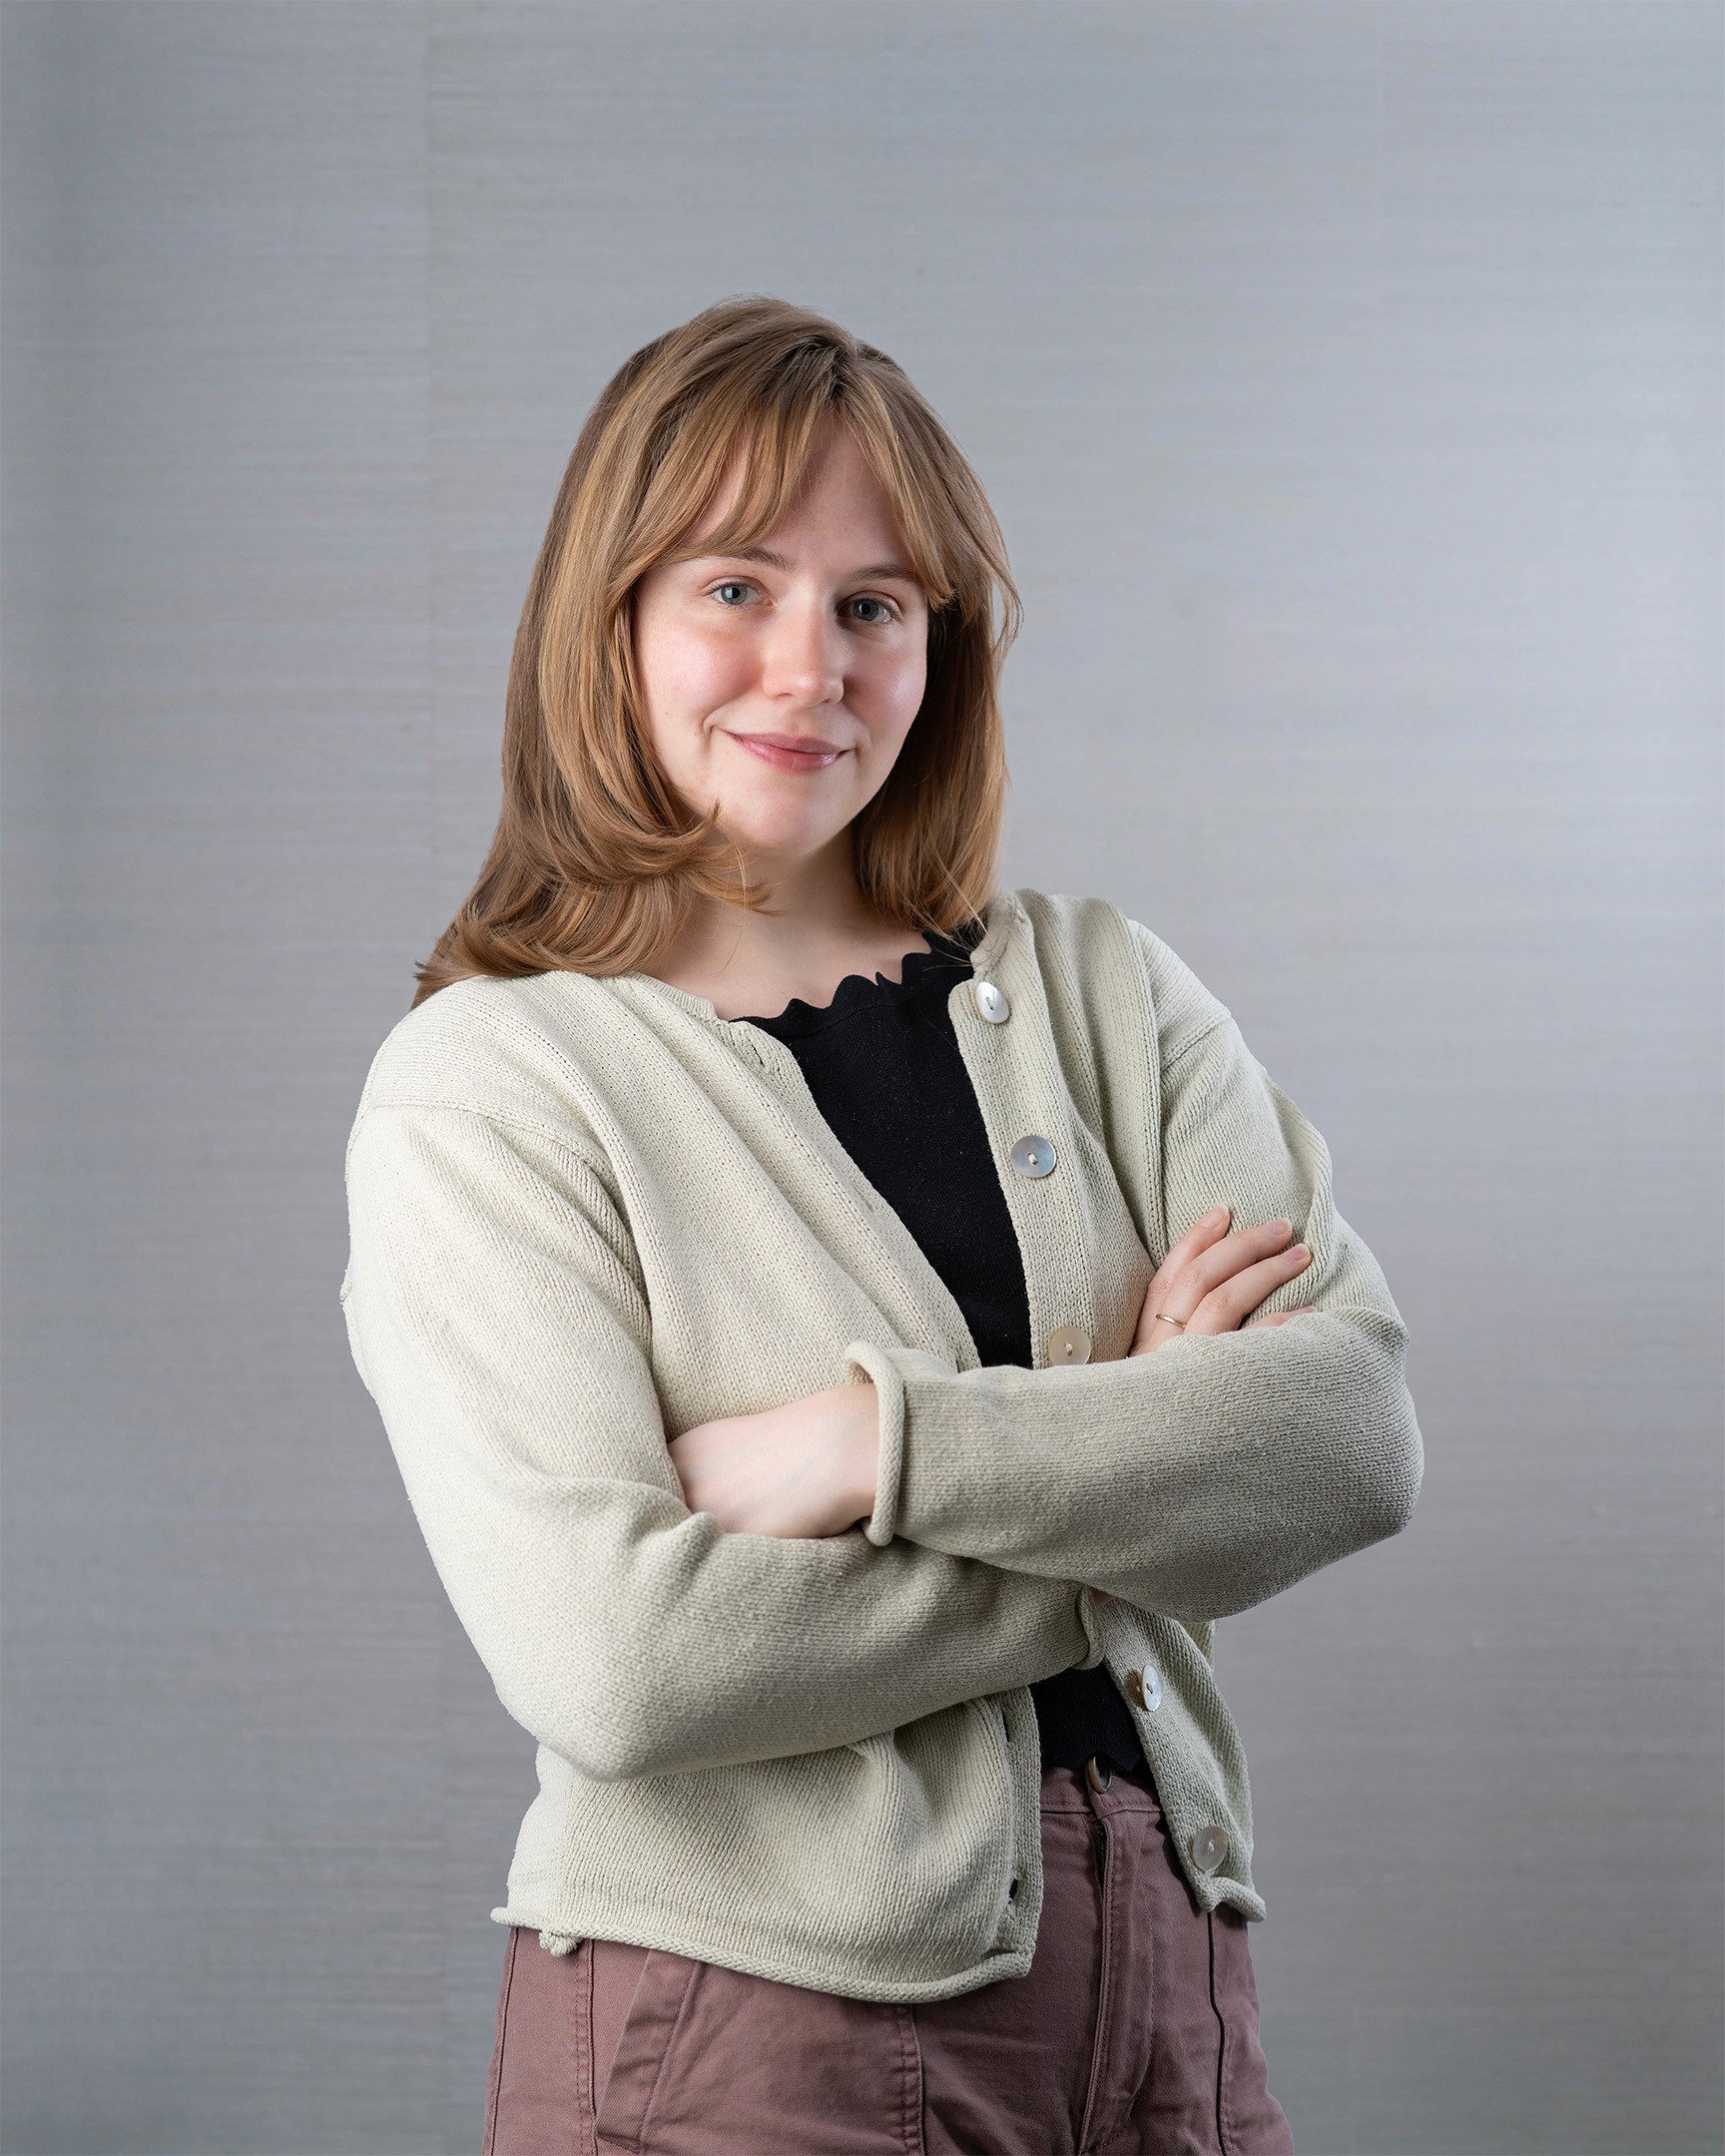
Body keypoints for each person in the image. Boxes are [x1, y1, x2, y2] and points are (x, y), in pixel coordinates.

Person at [340, 294, 1424, 2154]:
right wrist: (1139, 1493)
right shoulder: (494, 1082)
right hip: (747, 2036)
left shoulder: (1104, 993)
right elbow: (622, 1662)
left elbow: (1345, 1439)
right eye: (735, 588)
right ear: (611, 616)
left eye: (873, 605)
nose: (808, 668)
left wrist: (867, 1445)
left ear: (942, 648)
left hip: (1170, 1998)